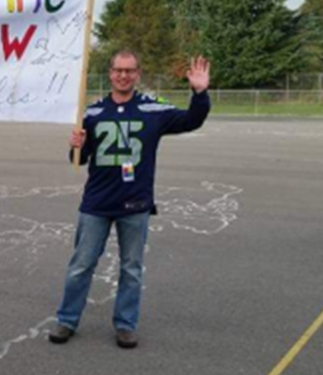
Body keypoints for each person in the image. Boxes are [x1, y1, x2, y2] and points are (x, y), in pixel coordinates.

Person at [49, 51, 211, 349]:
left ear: (138, 74)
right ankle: (67, 320)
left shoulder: (153, 110)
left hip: (135, 204)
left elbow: (191, 120)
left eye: (129, 71)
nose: (123, 76)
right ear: (109, 73)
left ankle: (125, 324)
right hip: (97, 203)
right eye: (117, 70)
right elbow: (80, 159)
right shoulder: (94, 112)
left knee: (131, 268)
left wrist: (199, 93)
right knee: (81, 265)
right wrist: (75, 146)